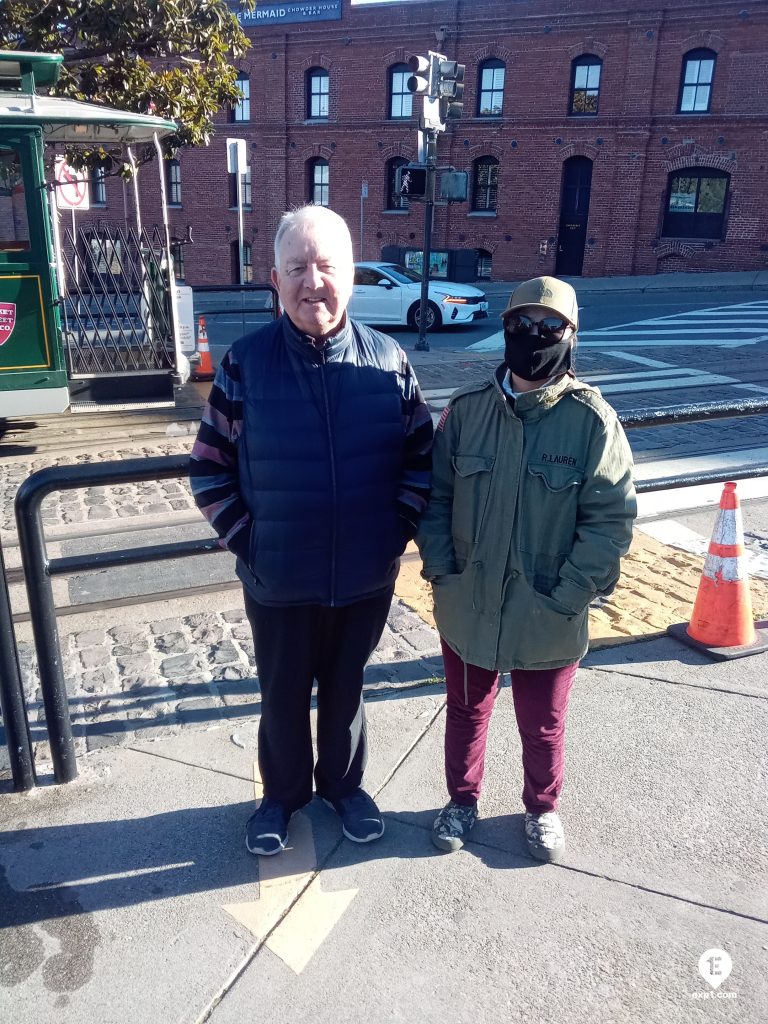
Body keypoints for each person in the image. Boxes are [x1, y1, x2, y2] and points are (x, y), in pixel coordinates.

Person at [190, 205, 433, 856]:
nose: (312, 282)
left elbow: (421, 460)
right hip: (278, 577)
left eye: (326, 266)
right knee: (282, 695)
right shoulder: (245, 364)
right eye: (296, 267)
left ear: (350, 275)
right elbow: (209, 469)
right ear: (275, 279)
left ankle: (345, 789)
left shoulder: (388, 362)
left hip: (364, 576)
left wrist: (393, 534)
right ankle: (282, 796)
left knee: (347, 690)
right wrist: (252, 543)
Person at [416, 276, 635, 862]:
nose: (533, 335)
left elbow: (610, 521)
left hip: (548, 610)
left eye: (549, 326)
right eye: (520, 323)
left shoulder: (592, 422)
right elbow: (435, 498)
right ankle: (462, 800)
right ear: (505, 329)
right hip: (468, 602)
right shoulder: (466, 411)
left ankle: (541, 807)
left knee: (542, 724)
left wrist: (570, 595)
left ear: (571, 336)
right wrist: (442, 571)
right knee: (467, 711)